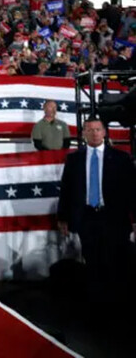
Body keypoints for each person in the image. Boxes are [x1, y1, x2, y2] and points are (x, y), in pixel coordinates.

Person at [57, 117, 136, 312]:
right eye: (89, 130)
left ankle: (118, 305)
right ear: (83, 134)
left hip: (114, 218)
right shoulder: (74, 159)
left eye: (98, 129)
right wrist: (63, 218)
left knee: (116, 261)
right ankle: (96, 307)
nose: (94, 133)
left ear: (105, 132)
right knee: (93, 262)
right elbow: (66, 190)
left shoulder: (121, 158)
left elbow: (132, 190)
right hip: (87, 218)